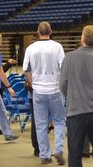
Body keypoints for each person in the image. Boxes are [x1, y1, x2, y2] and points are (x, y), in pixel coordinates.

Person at [59, 24, 93, 167]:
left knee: (75, 153)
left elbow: (63, 84)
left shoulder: (69, 58)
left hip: (76, 112)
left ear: (82, 38)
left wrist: (71, 97)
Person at [24, 21, 66, 165]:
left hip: (38, 91)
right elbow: (63, 67)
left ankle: (44, 155)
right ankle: (58, 149)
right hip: (55, 89)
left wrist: (32, 83)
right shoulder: (57, 47)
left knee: (40, 123)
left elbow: (26, 69)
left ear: (38, 32)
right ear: (51, 31)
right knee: (59, 120)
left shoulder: (31, 48)